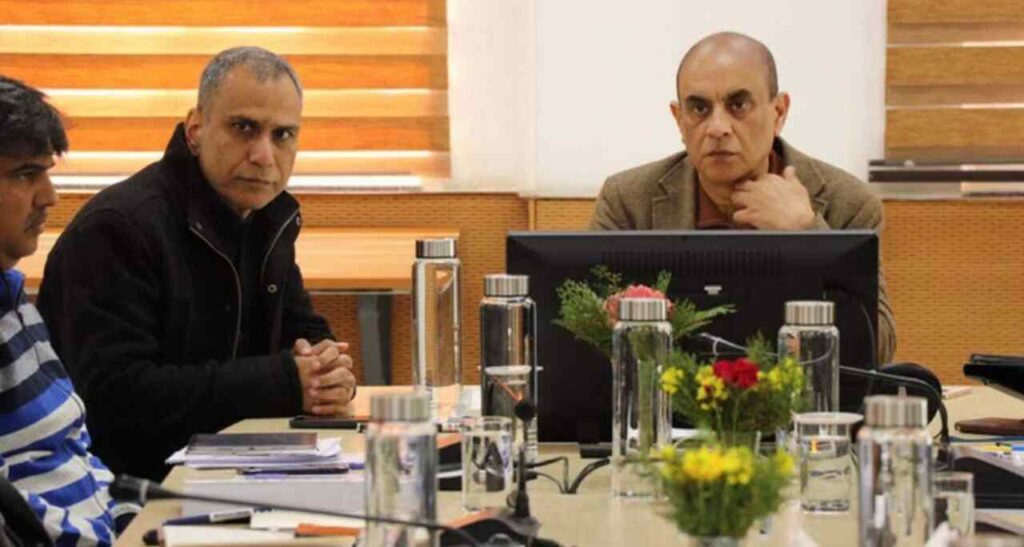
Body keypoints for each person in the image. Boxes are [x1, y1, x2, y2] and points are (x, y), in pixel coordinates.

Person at [36, 47, 358, 481]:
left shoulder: (265, 216)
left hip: (236, 472)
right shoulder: (118, 228)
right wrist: (286, 382)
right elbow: (117, 396)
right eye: (243, 128)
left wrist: (331, 373)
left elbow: (303, 331)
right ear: (195, 130)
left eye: (282, 135)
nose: (264, 155)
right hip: (129, 488)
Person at [590, 31, 896, 364]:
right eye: (699, 108)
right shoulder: (628, 200)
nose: (717, 127)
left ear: (779, 112)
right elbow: (581, 337)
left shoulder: (847, 203)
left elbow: (877, 349)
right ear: (679, 120)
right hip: (665, 393)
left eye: (738, 105)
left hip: (795, 393)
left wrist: (808, 235)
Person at [0, 75, 138, 546]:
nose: (49, 196)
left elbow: (72, 450)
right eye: (25, 174)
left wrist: (137, 522)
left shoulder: (12, 298)